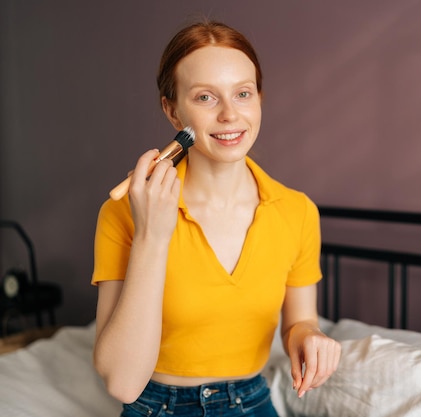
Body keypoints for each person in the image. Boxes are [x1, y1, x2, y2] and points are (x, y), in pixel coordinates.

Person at [92, 20, 341, 417]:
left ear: (259, 98)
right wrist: (152, 238)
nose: (230, 114)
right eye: (206, 98)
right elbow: (122, 383)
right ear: (172, 111)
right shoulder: (124, 211)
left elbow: (299, 322)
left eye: (243, 93)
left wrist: (309, 336)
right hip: (156, 406)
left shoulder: (297, 211)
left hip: (253, 402)